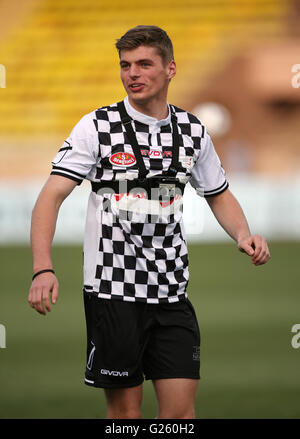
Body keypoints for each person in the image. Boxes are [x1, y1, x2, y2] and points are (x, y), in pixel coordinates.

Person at [28, 25, 270, 419]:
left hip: (172, 292)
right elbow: (49, 198)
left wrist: (243, 234)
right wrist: (43, 268)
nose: (132, 74)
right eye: (125, 65)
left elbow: (218, 191)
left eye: (144, 64)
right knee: (126, 417)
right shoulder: (97, 127)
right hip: (113, 292)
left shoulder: (192, 131)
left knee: (179, 416)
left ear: (170, 69)